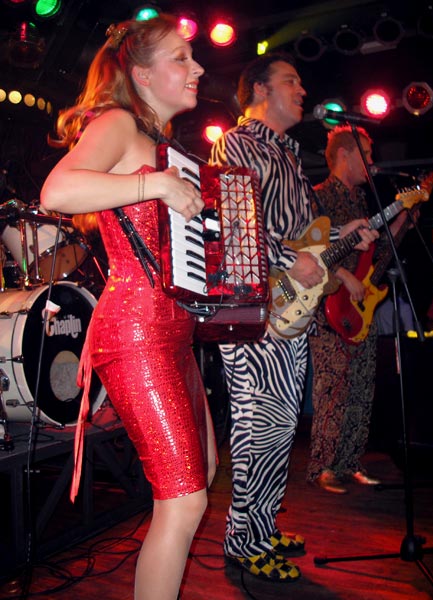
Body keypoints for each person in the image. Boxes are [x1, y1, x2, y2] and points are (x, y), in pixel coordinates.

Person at [41, 16, 216, 600]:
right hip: (136, 330)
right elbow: (56, 192)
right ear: (141, 74)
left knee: (200, 477)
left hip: (175, 332)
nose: (197, 68)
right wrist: (155, 185)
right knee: (184, 500)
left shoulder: (168, 148)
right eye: (181, 58)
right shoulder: (117, 123)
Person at [209, 53, 378, 582]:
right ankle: (241, 541)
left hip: (290, 309)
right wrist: (289, 259)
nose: (303, 89)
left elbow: (306, 238)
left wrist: (345, 235)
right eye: (291, 80)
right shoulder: (237, 143)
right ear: (260, 90)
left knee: (281, 425)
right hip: (253, 305)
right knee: (256, 421)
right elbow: (233, 222)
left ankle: (260, 528)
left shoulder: (288, 155)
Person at [306, 125, 406, 494]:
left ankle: (349, 462)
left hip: (360, 308)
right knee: (332, 388)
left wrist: (401, 223)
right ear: (346, 155)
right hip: (328, 306)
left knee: (362, 387)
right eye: (366, 154)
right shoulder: (318, 197)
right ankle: (323, 467)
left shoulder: (363, 202)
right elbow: (304, 249)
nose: (372, 163)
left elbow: (376, 257)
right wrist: (342, 274)